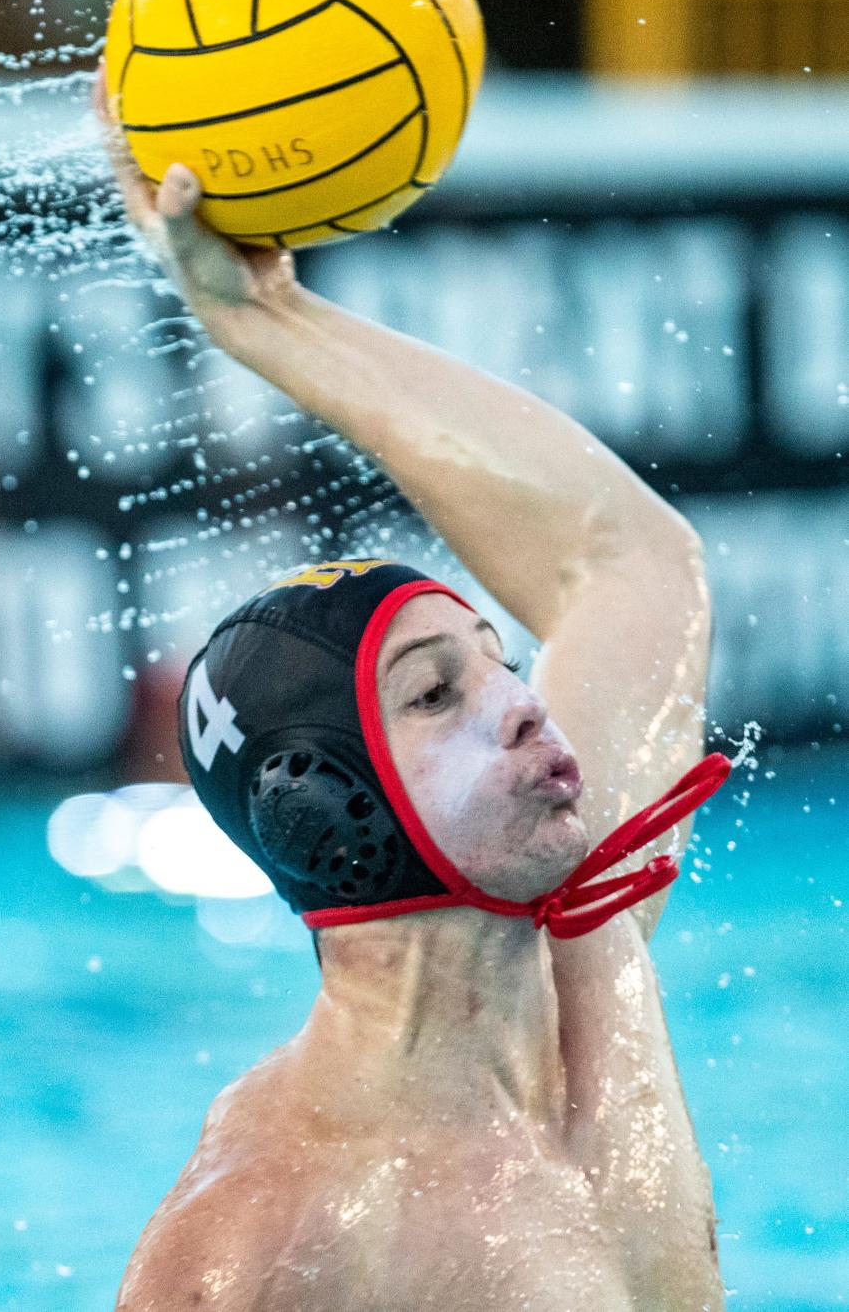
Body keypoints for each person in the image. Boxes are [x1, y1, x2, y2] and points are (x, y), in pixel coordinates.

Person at [94, 64, 731, 1311]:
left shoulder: (590, 934)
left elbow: (630, 555)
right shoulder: (262, 1239)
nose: (527, 699)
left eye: (496, 655)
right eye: (437, 693)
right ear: (330, 803)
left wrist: (265, 319)